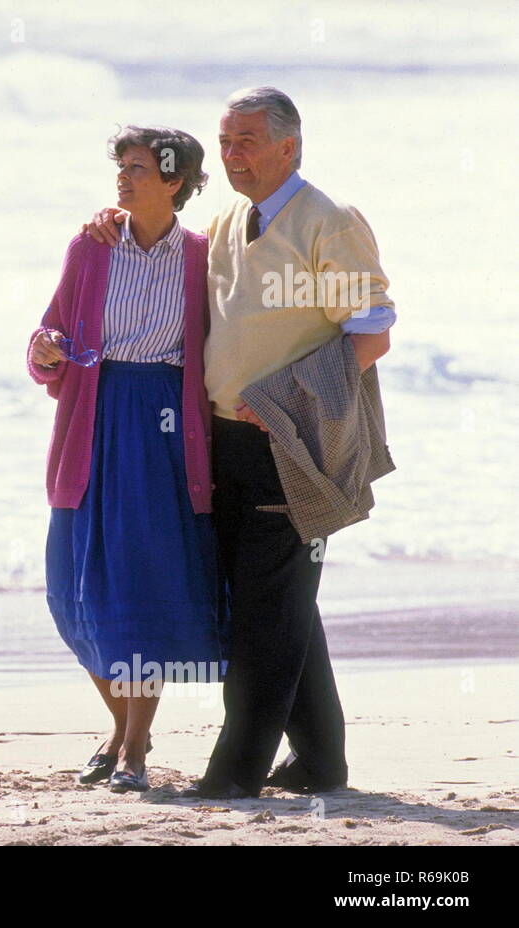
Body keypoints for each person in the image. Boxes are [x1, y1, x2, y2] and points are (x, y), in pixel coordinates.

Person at [83, 87, 396, 797]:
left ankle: (234, 773)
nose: (232, 154)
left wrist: (285, 395)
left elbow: (372, 331)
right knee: (278, 600)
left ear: (290, 146)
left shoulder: (329, 221)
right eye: (225, 141)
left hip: (295, 441)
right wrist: (115, 219)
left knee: (266, 612)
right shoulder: (225, 218)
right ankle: (319, 761)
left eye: (248, 140)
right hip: (221, 443)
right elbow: (165, 256)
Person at [27, 125, 227, 794]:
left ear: (175, 181)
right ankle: (121, 729)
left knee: (143, 589)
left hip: (165, 432)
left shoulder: (205, 257)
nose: (123, 178)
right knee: (72, 590)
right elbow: (47, 332)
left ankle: (135, 746)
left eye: (138, 168)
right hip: (90, 422)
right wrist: (49, 346)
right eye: (121, 166)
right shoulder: (91, 247)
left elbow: (230, 346)